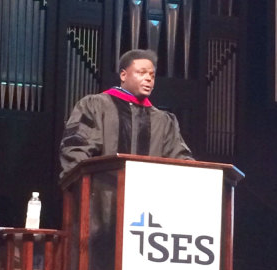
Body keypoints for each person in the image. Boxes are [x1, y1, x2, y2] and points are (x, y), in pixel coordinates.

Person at [59, 49, 193, 179]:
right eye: (142, 73)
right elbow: (76, 149)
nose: (148, 79)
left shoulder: (163, 121)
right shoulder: (95, 106)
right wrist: (87, 184)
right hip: (103, 195)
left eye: (152, 76)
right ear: (123, 75)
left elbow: (179, 158)